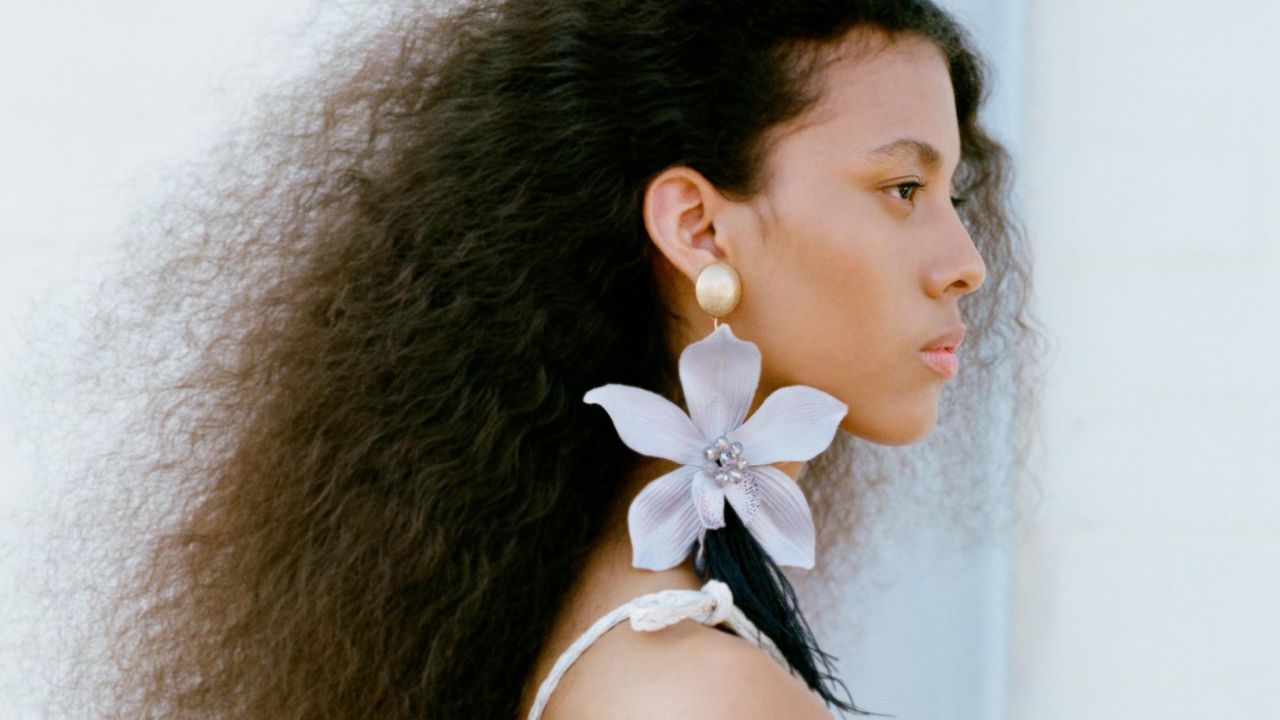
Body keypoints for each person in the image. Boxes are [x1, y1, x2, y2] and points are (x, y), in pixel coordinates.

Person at [58, 0, 1039, 718]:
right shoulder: (692, 690)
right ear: (698, 227)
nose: (966, 262)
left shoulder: (614, 621)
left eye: (953, 195)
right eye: (902, 188)